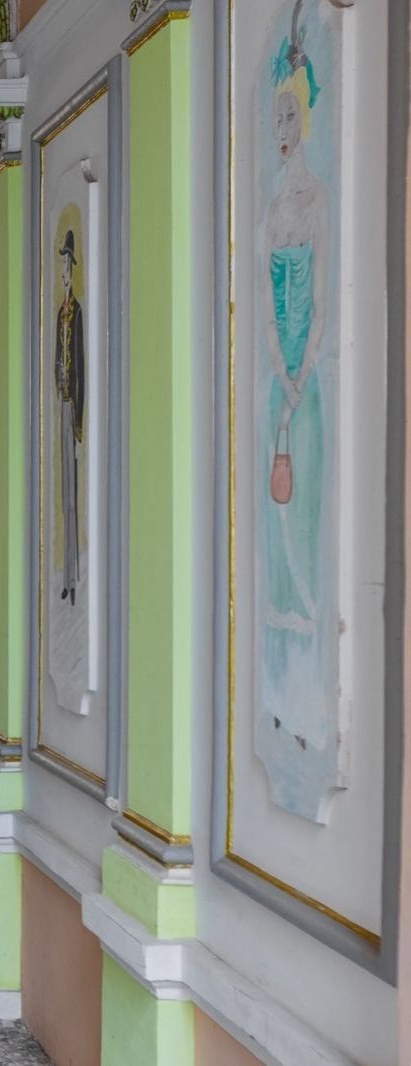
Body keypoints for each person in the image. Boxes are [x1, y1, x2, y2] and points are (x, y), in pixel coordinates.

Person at [254, 0, 335, 818]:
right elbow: (260, 300)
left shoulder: (314, 202)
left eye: (288, 117)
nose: (280, 130)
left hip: (303, 378)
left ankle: (310, 681)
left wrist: (300, 372)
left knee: (302, 510)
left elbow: (321, 298)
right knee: (272, 521)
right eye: (273, 119)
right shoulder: (270, 208)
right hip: (277, 373)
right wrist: (275, 370)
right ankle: (281, 682)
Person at [54, 227, 85, 606]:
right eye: (60, 265)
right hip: (61, 406)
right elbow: (56, 362)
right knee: (65, 496)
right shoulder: (60, 313)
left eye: (66, 265)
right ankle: (67, 575)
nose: (63, 273)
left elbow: (80, 369)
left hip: (71, 409)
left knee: (74, 497)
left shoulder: (75, 313)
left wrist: (78, 422)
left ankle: (74, 576)